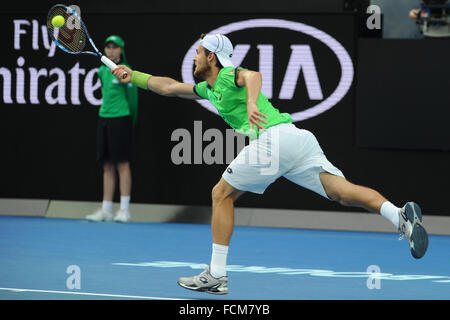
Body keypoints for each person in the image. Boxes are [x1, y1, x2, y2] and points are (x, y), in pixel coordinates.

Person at [111, 33, 429, 294]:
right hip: (296, 138)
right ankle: (399, 215)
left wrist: (250, 102)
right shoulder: (208, 88)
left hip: (273, 139)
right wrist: (132, 75)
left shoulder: (224, 75)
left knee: (220, 195)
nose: (193, 58)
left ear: (212, 57)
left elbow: (253, 75)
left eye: (198, 52)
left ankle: (216, 275)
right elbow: (168, 87)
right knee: (342, 193)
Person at [86, 35, 138, 223]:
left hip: (121, 119)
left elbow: (133, 99)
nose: (111, 51)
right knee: (107, 165)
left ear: (121, 50)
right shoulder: (102, 70)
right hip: (104, 118)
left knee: (122, 165)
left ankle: (124, 210)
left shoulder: (126, 72)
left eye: (115, 48)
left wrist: (130, 120)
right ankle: (106, 209)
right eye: (108, 47)